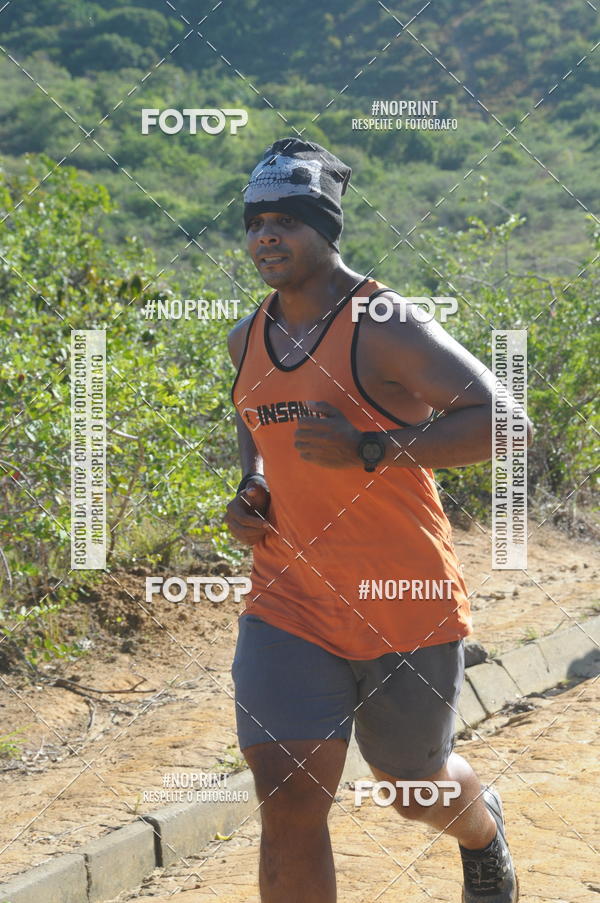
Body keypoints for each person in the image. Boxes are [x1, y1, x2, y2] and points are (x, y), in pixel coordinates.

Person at [225, 137, 530, 903]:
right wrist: (252, 484)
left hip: (403, 597)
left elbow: (507, 422)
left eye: (286, 220)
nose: (266, 235)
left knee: (411, 786)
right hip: (290, 598)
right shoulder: (246, 337)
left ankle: (481, 828)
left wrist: (372, 447)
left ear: (325, 229)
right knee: (288, 796)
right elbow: (255, 419)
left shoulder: (382, 322)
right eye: (255, 222)